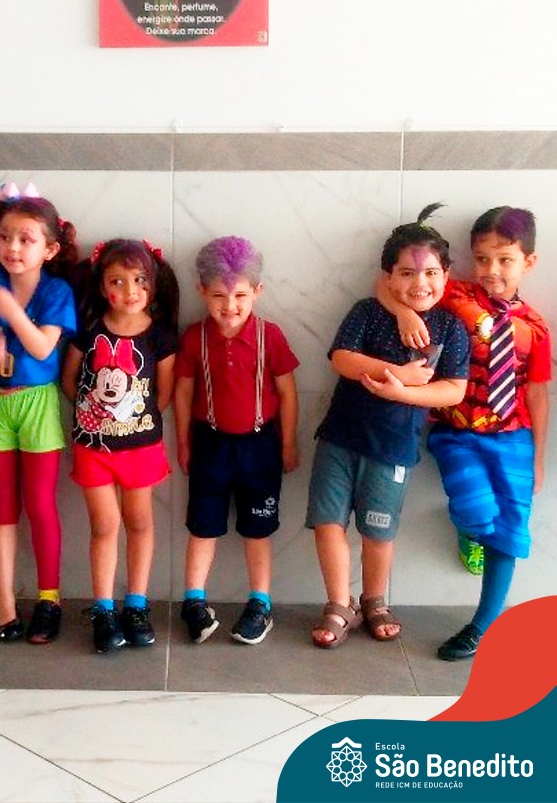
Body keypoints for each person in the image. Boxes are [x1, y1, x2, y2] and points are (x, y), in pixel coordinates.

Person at [386, 206, 549, 661]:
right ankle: (470, 530)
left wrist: (537, 457)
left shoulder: (535, 328)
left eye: (505, 259)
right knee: (477, 513)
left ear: (528, 262)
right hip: (457, 431)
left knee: (510, 531)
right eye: (482, 259)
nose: (492, 270)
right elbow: (389, 284)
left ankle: (482, 626)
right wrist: (403, 313)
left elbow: (538, 394)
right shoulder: (454, 294)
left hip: (514, 436)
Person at [306, 203, 469, 649]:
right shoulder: (367, 311)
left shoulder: (451, 328)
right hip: (339, 438)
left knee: (378, 531)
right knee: (328, 522)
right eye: (407, 273)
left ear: (446, 275)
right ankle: (339, 604)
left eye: (431, 273)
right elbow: (342, 359)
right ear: (389, 278)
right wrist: (395, 372)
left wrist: (402, 392)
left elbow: (453, 390)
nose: (420, 283)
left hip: (394, 448)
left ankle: (374, 601)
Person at [0, 182, 78, 644]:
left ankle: (49, 600)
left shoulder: (57, 291)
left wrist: (11, 312)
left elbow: (43, 346)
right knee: (2, 509)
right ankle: (6, 605)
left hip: (38, 402)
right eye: (5, 237)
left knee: (40, 504)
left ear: (49, 249)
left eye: (26, 239)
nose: (12, 247)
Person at [173, 237, 299, 646]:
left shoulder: (270, 336)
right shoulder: (194, 338)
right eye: (219, 296)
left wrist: (288, 444)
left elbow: (287, 392)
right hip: (210, 444)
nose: (230, 306)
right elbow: (183, 393)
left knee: (257, 529)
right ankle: (194, 601)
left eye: (240, 296)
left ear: (257, 291)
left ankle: (260, 603)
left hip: (260, 447)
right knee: (203, 525)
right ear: (201, 292)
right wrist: (184, 443)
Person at [62, 238, 179, 653]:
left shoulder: (161, 335)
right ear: (102, 287)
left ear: (153, 285)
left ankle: (136, 605)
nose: (130, 291)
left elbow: (164, 392)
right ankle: (104, 609)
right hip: (93, 450)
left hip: (141, 449)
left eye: (139, 280)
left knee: (140, 523)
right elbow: (69, 380)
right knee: (105, 526)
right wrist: (93, 416)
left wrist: (134, 422)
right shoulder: (89, 331)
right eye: (117, 281)